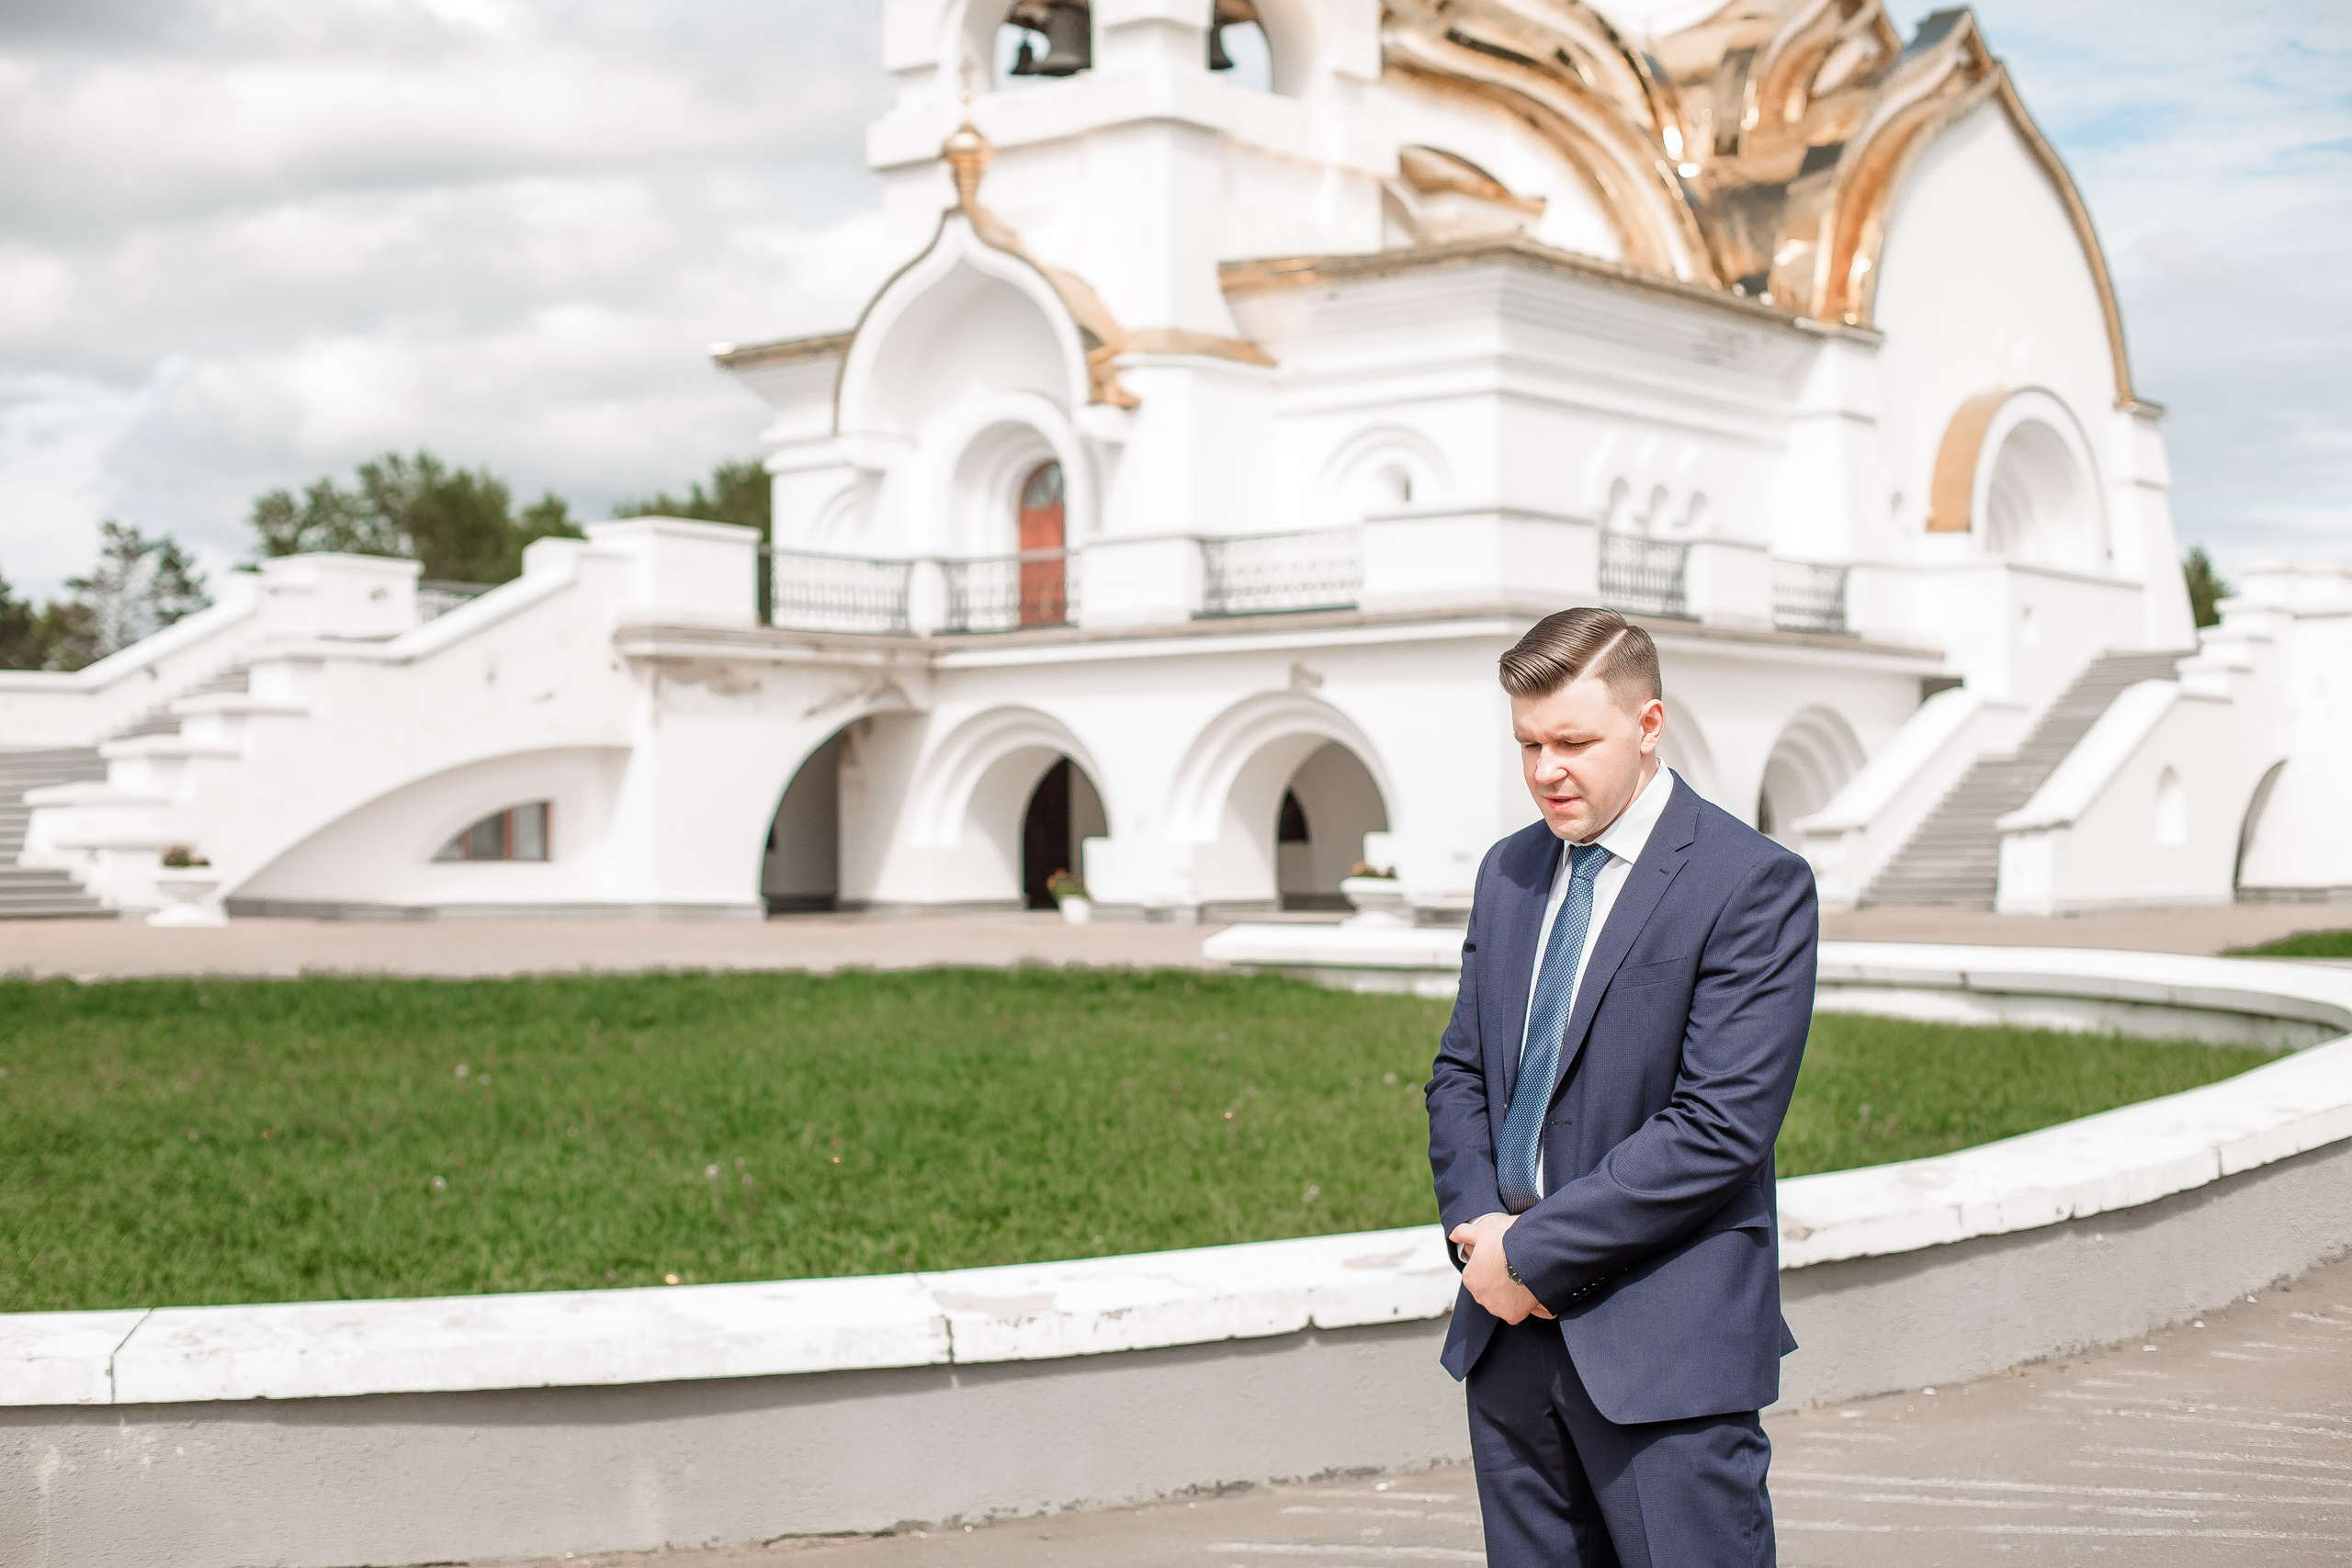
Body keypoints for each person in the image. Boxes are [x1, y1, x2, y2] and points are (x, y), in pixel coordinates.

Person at [1425, 606, 1815, 1567]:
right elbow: (1461, 1072)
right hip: (1507, 1343)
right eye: (1526, 744)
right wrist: (1482, 1233)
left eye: (1572, 742)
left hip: (1662, 1352)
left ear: (1648, 726)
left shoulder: (1752, 883)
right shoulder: (1509, 870)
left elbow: (1720, 1126)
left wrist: (1533, 1254)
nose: (1545, 770)